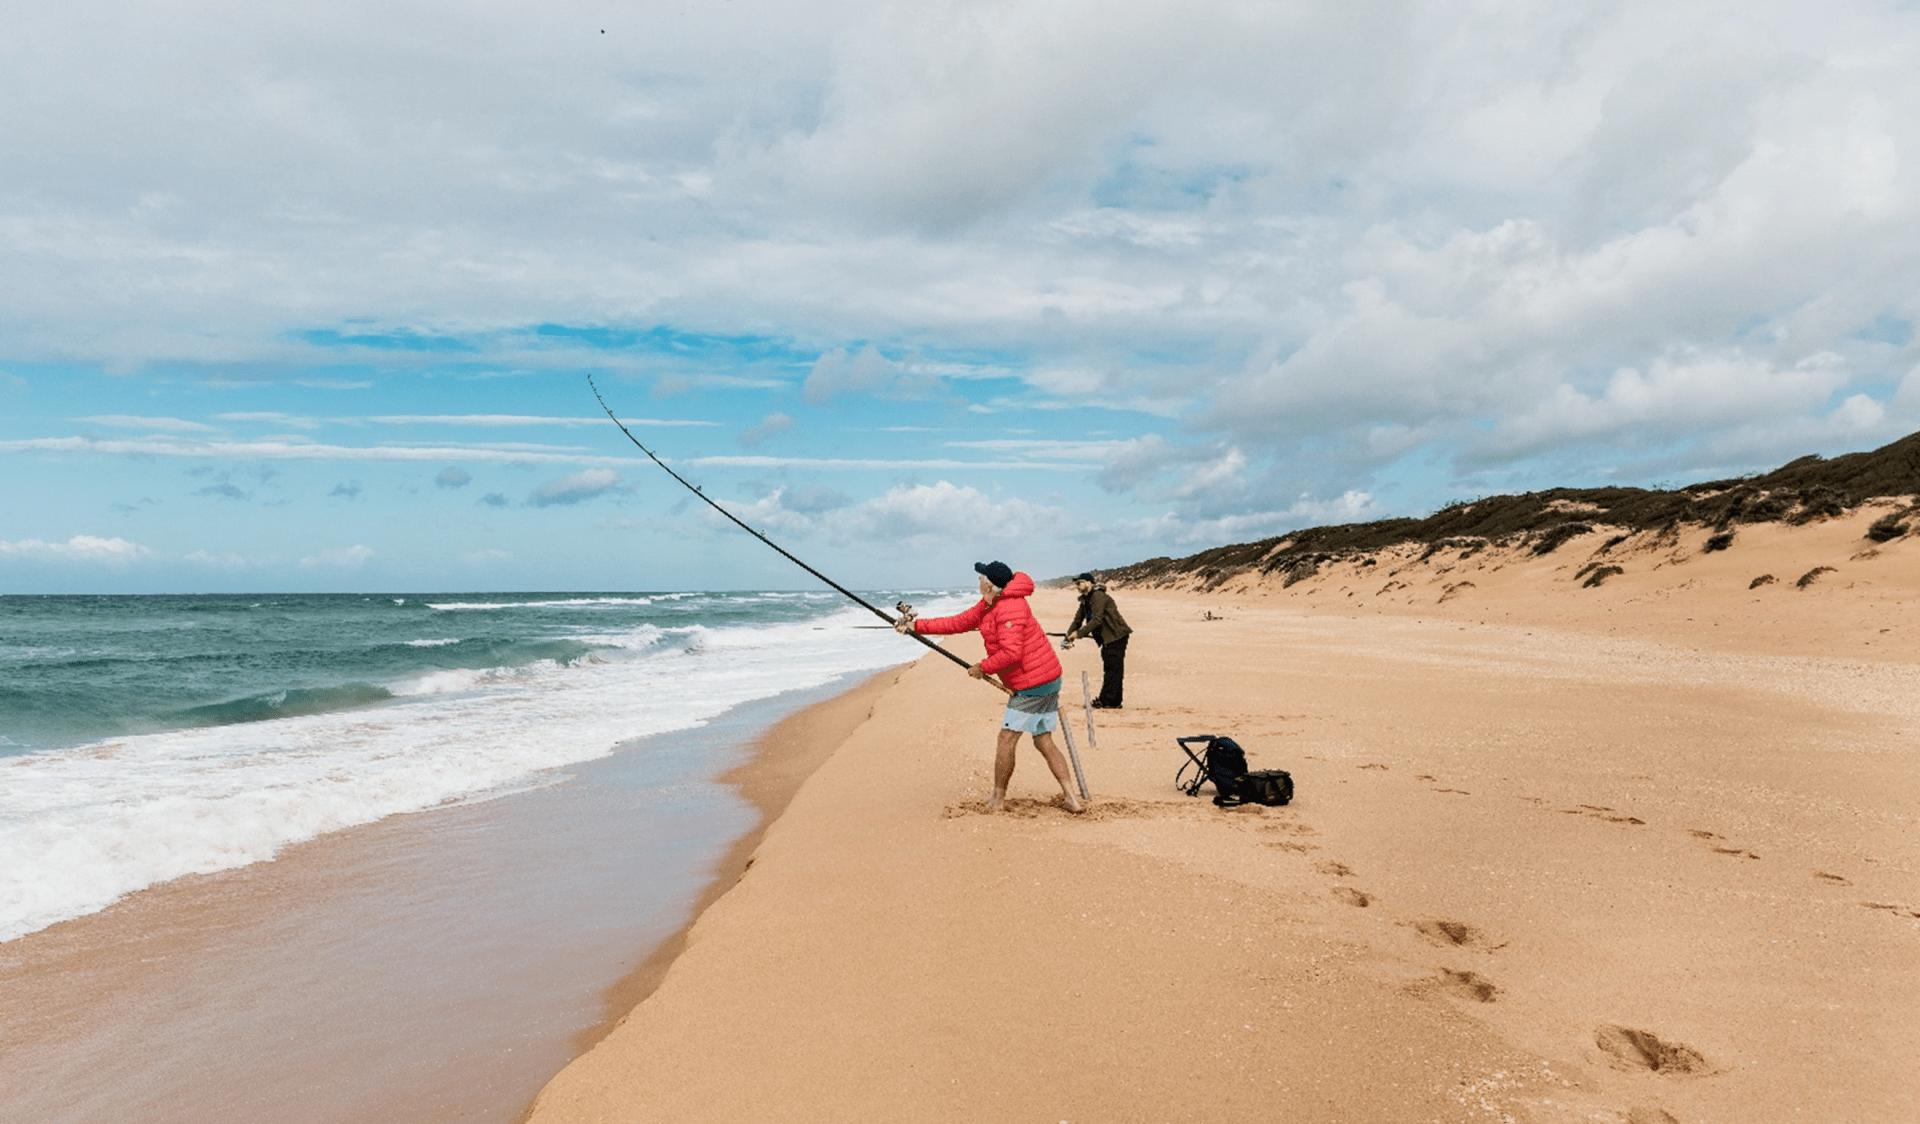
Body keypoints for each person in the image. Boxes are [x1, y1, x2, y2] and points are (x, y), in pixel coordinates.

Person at [897, 561, 1083, 813]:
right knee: (1043, 740)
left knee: (1006, 740)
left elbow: (1011, 653)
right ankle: (1071, 798)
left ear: (990, 584)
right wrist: (915, 627)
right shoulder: (991, 603)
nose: (978, 581)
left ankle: (997, 799)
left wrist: (982, 667)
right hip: (1045, 679)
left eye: (981, 577)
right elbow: (958, 623)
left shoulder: (1008, 607)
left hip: (1033, 683)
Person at [1063, 571, 1131, 709]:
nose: (1077, 586)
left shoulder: (1098, 596)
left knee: (1112, 669)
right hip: (1107, 638)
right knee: (1112, 668)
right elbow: (1077, 621)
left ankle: (1107, 701)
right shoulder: (1085, 600)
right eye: (1076, 583)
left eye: (1079, 583)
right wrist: (1068, 638)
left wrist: (1079, 634)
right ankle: (1114, 701)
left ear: (1089, 583)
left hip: (1116, 636)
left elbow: (1097, 620)